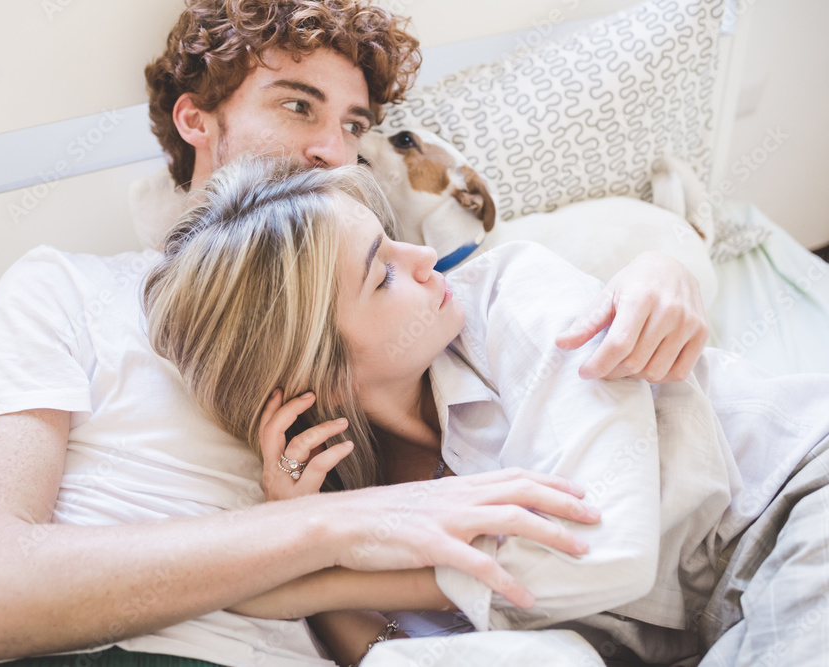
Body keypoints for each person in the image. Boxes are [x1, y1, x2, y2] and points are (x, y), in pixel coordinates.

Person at [0, 1, 713, 665]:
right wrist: (331, 525)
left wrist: (667, 262)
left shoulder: (396, 309)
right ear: (195, 119)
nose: (331, 150)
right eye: (297, 105)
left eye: (355, 124)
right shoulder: (67, 289)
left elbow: (554, 300)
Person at [143, 157, 829, 666]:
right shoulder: (362, 506)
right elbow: (393, 657)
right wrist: (314, 561)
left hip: (796, 498)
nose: (422, 257)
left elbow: (605, 550)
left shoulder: (514, 294)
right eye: (381, 273)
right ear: (313, 372)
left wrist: (318, 577)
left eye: (390, 235)